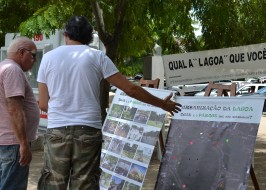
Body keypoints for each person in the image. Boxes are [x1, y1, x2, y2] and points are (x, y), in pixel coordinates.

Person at [37, 16, 181, 190]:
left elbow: (43, 104)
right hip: (88, 130)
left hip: (57, 129)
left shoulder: (48, 58)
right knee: (85, 183)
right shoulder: (97, 57)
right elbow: (131, 89)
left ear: (65, 34)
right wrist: (162, 104)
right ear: (89, 37)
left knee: (53, 183)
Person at [0, 37, 40, 190]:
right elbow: (14, 109)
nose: (34, 60)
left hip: (7, 142)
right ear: (22, 52)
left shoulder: (4, 67)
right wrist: (23, 144)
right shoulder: (12, 70)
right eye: (33, 55)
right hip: (13, 143)